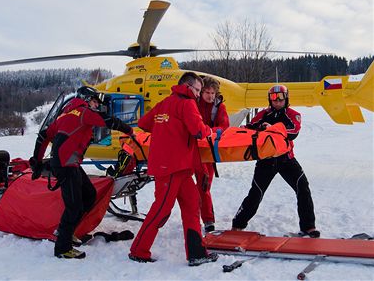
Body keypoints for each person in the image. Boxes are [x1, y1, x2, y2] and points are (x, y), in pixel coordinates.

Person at [31, 86, 134, 260]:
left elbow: (43, 136)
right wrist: (129, 130)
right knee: (74, 206)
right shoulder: (83, 112)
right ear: (86, 99)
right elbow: (107, 120)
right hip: (66, 165)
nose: (96, 105)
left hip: (69, 164)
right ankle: (62, 248)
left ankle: (66, 230)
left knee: (89, 195)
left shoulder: (66, 115)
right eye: (95, 101)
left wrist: (37, 161)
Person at [129, 72, 219, 266]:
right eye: (197, 90)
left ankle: (197, 253)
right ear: (187, 87)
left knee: (192, 205)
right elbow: (198, 131)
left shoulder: (165, 102)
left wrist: (167, 130)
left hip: (180, 167)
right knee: (161, 209)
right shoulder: (187, 103)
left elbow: (144, 123)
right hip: (171, 167)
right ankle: (138, 250)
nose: (198, 94)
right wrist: (210, 130)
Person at [231, 85, 319, 238]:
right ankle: (238, 223)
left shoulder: (293, 115)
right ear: (269, 99)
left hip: (286, 159)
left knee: (303, 187)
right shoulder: (263, 114)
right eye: (274, 98)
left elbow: (293, 132)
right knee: (256, 193)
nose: (277, 101)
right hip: (266, 160)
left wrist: (272, 129)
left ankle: (308, 226)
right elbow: (247, 129)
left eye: (281, 98)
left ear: (286, 98)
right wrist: (257, 128)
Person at [195, 76, 230, 233]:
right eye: (207, 92)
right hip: (189, 149)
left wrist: (210, 131)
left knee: (204, 185)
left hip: (207, 151)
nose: (210, 96)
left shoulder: (219, 107)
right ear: (201, 92)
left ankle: (208, 219)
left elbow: (224, 125)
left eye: (213, 93)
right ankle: (191, 216)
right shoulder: (192, 103)